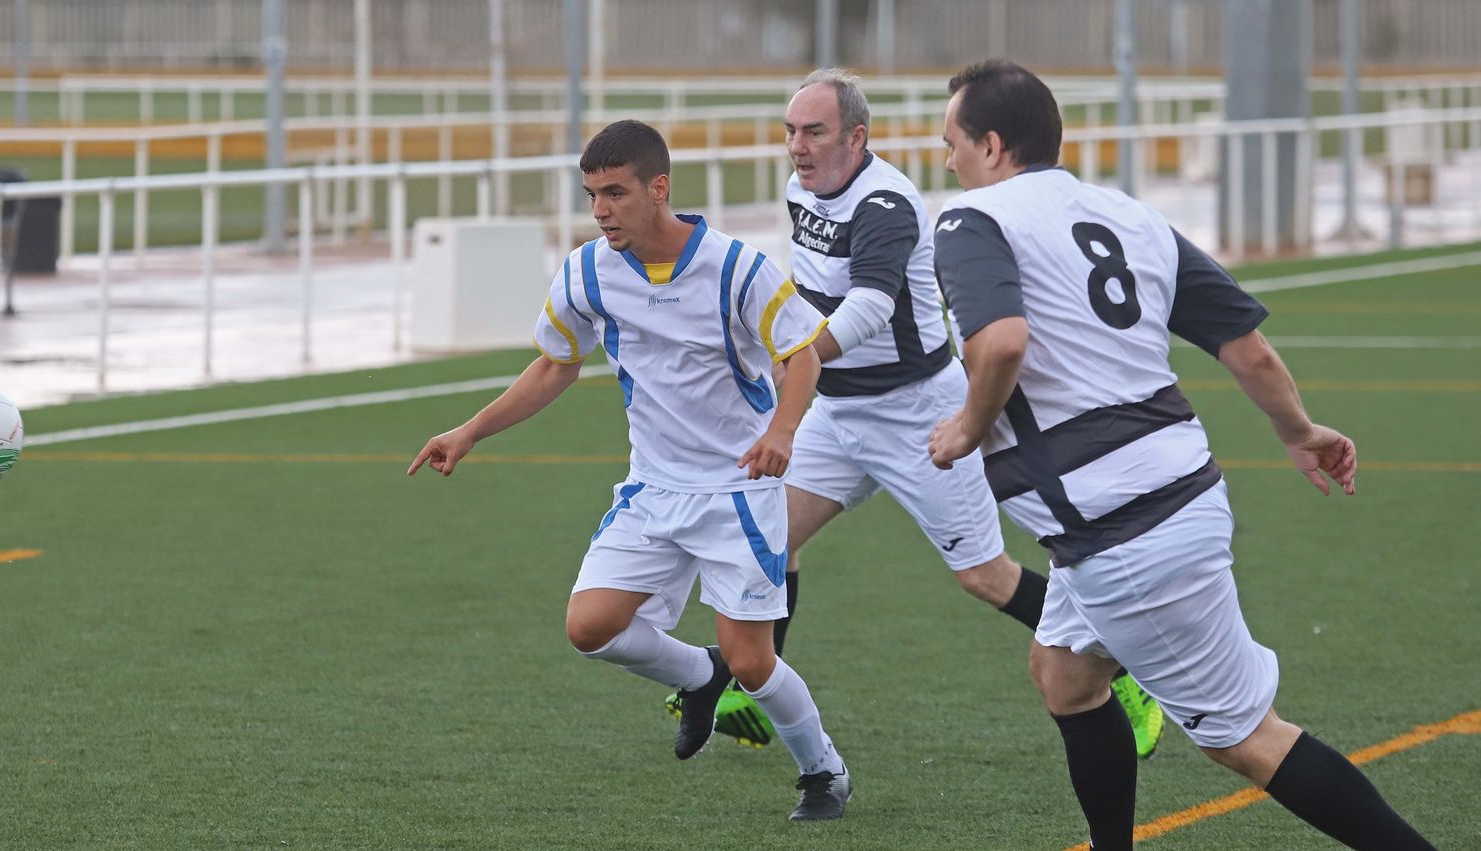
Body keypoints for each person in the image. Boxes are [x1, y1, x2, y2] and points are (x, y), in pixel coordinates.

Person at [929, 58, 1434, 850]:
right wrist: (1300, 431)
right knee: (1064, 674)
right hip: (1157, 502)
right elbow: (1250, 350)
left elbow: (1000, 341)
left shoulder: (970, 219)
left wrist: (965, 426)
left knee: (1246, 738)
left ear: (992, 146)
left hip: (1123, 530)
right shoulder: (1129, 215)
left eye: (952, 142)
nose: (947, 160)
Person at [671, 68, 1163, 759]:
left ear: (856, 137)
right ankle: (747, 692)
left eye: (813, 132)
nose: (797, 146)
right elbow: (808, 286)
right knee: (768, 537)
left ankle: (1120, 661)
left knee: (983, 574)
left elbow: (871, 307)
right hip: (837, 412)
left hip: (917, 412)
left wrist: (794, 358)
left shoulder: (887, 205)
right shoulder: (800, 188)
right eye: (790, 132)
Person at [409, 120, 851, 821]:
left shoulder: (737, 267)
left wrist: (782, 432)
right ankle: (699, 673)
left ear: (659, 187)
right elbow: (557, 362)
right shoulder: (589, 271)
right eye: (592, 195)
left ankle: (822, 770)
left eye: (615, 192)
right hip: (652, 488)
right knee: (590, 627)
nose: (601, 209)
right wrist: (470, 431)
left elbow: (804, 353)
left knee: (755, 662)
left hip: (736, 490)